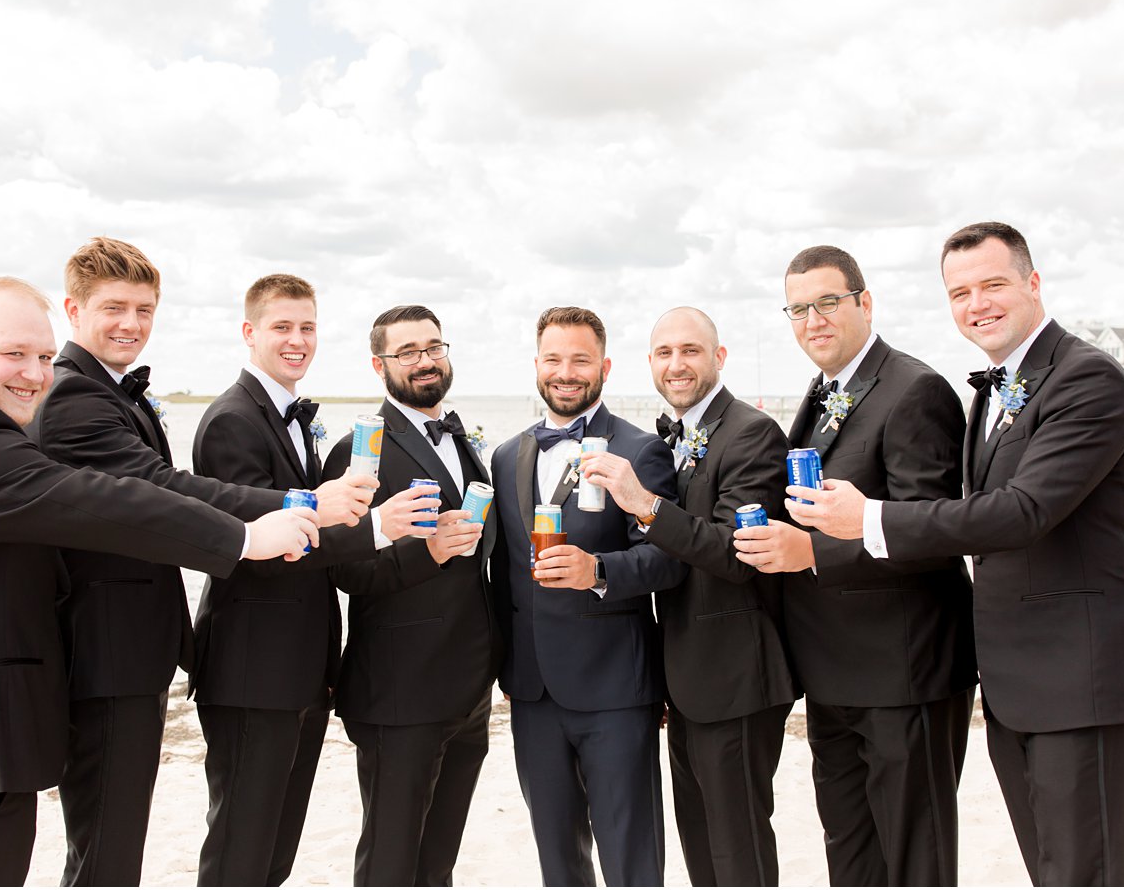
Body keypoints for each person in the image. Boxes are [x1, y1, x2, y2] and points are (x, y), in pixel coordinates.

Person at [0, 277, 317, 886]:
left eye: (42, 356)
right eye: (14, 354)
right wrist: (245, 538)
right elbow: (100, 499)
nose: (35, 373)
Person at [787, 223, 1124, 887]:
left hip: (1087, 675)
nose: (977, 304)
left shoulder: (1089, 380)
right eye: (959, 292)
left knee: (1087, 874)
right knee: (1052, 870)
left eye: (992, 284)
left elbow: (1024, 511)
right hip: (1016, 681)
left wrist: (869, 518)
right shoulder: (994, 389)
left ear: (1032, 283)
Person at [29, 241, 374, 885]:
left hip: (132, 650)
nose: (131, 324)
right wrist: (304, 505)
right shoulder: (75, 398)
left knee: (115, 846)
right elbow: (160, 487)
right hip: (104, 650)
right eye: (114, 309)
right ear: (73, 310)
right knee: (105, 852)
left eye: (143, 310)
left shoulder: (114, 394)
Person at [734, 246, 975, 886]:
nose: (813, 320)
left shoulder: (916, 389)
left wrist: (809, 551)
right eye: (798, 309)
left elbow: (933, 533)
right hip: (833, 672)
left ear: (865, 304)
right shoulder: (822, 391)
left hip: (905, 671)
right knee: (850, 852)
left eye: (828, 303)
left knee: (914, 857)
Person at [189, 276, 410, 886]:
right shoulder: (232, 421)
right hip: (252, 669)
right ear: (249, 333)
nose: (296, 340)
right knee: (241, 849)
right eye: (281, 327)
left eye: (307, 327)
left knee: (274, 853)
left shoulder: (286, 416)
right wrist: (378, 530)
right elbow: (264, 541)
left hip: (298, 670)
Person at [578, 307, 797, 886]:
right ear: (650, 363)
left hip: (736, 675)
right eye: (664, 353)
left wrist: (643, 504)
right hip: (685, 679)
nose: (677, 364)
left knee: (737, 848)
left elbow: (736, 553)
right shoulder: (672, 439)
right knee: (700, 846)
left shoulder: (751, 432)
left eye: (691, 351)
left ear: (718, 358)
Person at [488, 306, 687, 887]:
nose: (566, 372)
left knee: (631, 855)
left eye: (580, 360)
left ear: (604, 367)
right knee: (557, 857)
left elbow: (669, 560)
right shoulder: (507, 456)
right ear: (537, 366)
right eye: (554, 359)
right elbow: (500, 573)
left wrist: (596, 570)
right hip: (531, 689)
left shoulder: (642, 450)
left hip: (614, 690)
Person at [320, 304, 500, 887]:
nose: (425, 362)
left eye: (434, 348)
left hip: (470, 690)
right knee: (391, 863)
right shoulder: (360, 449)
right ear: (380, 366)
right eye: (408, 353)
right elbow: (346, 570)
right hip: (399, 692)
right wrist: (431, 551)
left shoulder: (463, 438)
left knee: (438, 862)